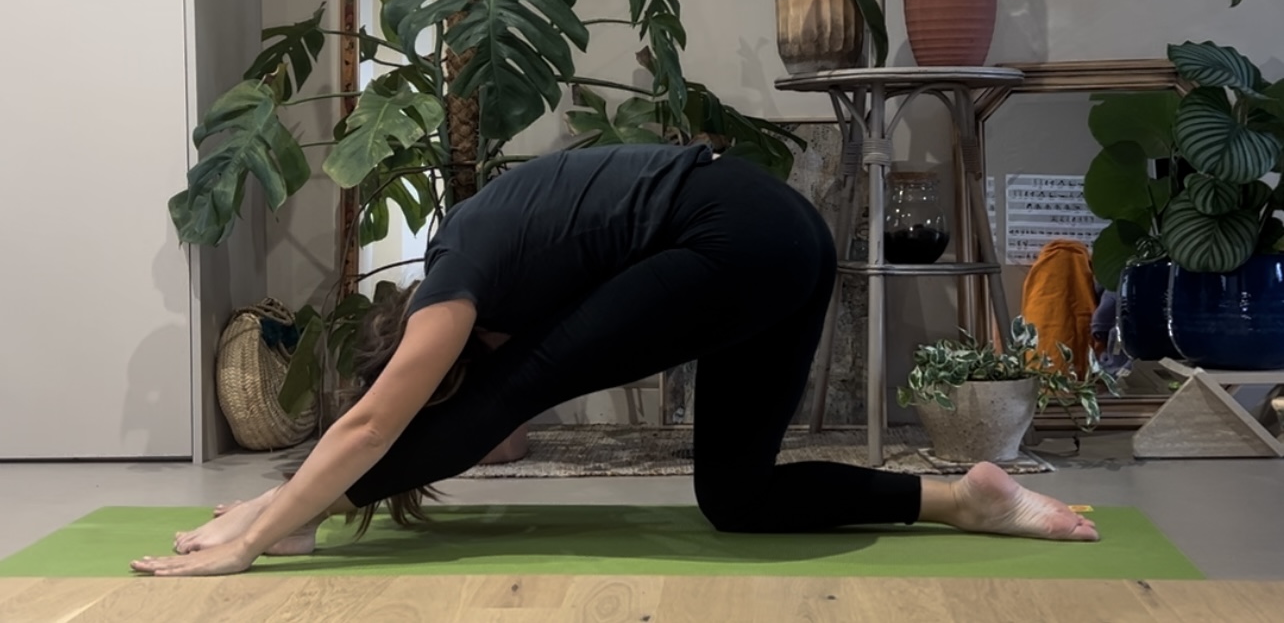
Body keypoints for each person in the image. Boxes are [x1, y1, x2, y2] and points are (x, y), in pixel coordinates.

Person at [131, 146, 1098, 578]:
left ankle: (291, 522)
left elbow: (379, 423)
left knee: (504, 396)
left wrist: (261, 524)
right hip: (785, 240)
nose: (511, 445)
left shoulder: (456, 285)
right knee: (738, 494)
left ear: (460, 341)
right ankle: (965, 499)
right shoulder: (488, 258)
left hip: (740, 237)